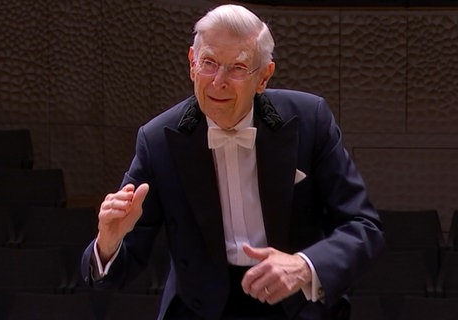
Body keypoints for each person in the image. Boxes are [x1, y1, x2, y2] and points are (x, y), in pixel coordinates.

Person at [81, 4, 384, 320]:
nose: (219, 82)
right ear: (191, 65)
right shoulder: (158, 140)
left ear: (264, 77)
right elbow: (112, 276)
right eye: (209, 63)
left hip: (295, 303)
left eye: (237, 68)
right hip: (199, 308)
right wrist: (108, 243)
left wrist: (304, 266)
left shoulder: (310, 120)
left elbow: (364, 228)